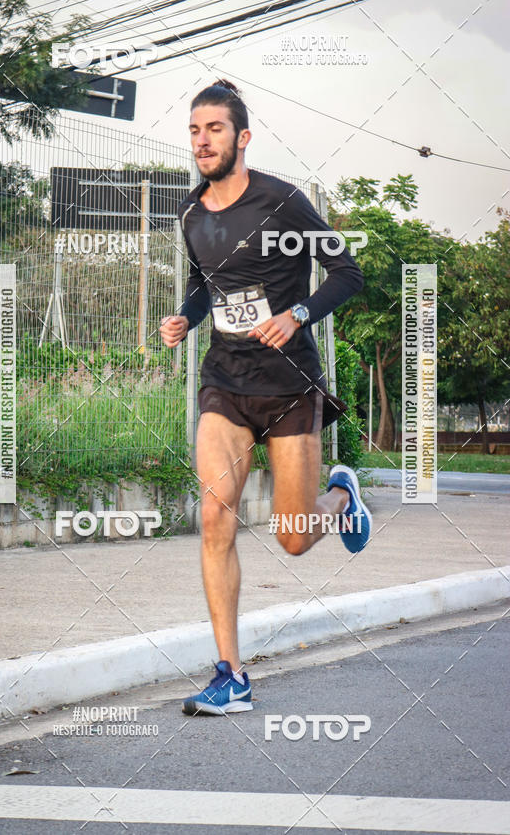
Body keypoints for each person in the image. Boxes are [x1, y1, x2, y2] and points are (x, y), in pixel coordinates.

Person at [159, 80, 371, 716]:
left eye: (215, 129)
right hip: (224, 380)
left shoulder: (282, 201)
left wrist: (297, 313)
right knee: (214, 517)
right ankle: (231, 675)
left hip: (286, 385)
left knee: (294, 538)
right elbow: (205, 287)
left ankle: (341, 497)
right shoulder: (191, 213)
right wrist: (185, 317)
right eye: (195, 130)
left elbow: (348, 272)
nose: (202, 141)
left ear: (242, 137)